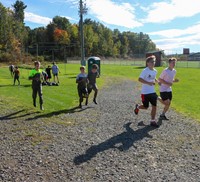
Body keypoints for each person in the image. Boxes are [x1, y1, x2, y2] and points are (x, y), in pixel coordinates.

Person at [134, 55, 159, 127]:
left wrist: (157, 81)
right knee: (145, 107)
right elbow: (139, 79)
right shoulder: (145, 71)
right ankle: (138, 107)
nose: (153, 63)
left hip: (152, 92)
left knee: (154, 106)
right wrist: (149, 83)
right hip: (145, 93)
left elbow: (154, 77)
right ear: (147, 63)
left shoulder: (155, 71)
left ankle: (152, 121)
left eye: (154, 61)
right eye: (151, 62)